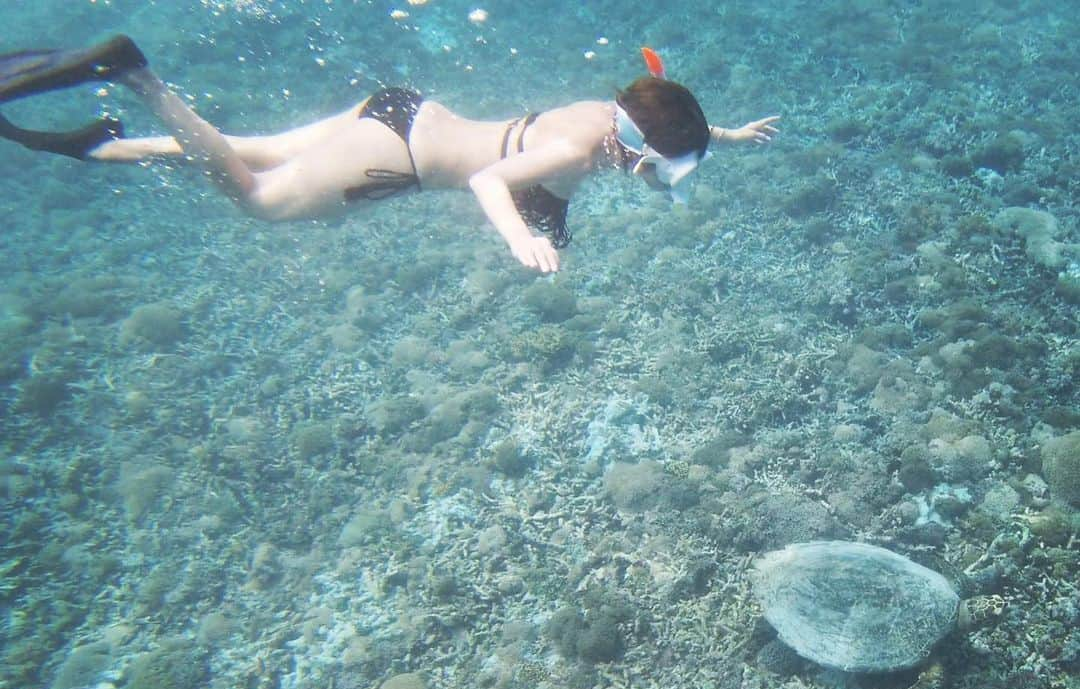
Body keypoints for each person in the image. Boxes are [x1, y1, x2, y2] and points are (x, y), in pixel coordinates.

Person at [0, 35, 779, 273]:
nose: (655, 181)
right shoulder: (581, 146)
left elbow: (665, 116)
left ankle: (102, 148)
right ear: (628, 145)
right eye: (660, 167)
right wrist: (522, 237)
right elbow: (487, 177)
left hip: (404, 112)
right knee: (256, 196)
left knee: (247, 148)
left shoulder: (607, 114)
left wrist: (727, 135)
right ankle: (135, 76)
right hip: (398, 158)